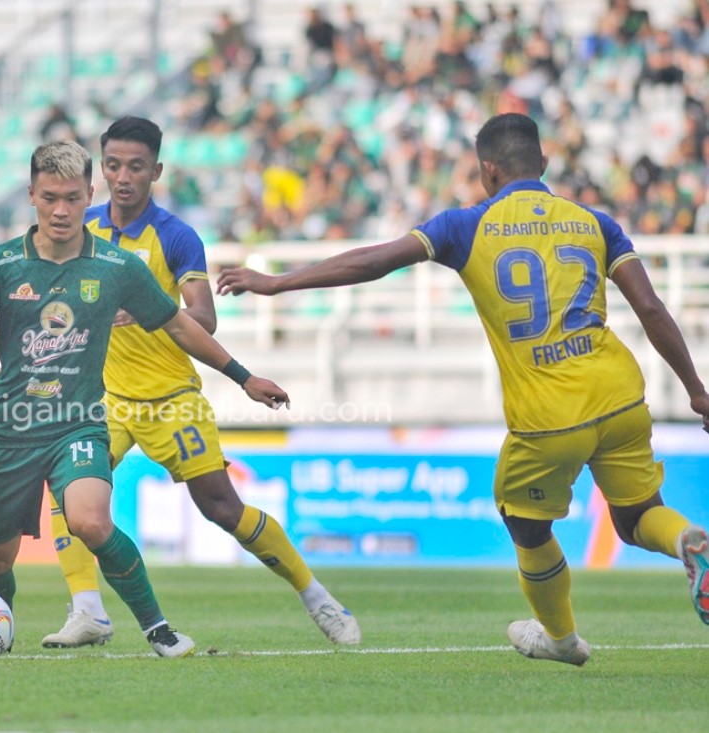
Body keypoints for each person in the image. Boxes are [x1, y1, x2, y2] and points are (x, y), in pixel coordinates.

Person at [217, 113, 709, 666]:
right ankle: (689, 539)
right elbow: (649, 307)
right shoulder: (594, 222)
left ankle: (562, 638)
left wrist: (278, 281)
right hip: (620, 395)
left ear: (486, 171)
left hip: (550, 412)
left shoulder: (466, 225)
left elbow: (375, 261)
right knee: (639, 515)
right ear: (543, 164)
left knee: (525, 522)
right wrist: (695, 390)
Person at [0, 116, 361, 649]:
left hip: (170, 397)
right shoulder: (77, 227)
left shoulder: (176, 237)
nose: (123, 176)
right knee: (66, 493)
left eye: (136, 166)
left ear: (156, 170)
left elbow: (201, 316)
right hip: (102, 399)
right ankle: (88, 611)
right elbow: (35, 298)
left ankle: (318, 597)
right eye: (112, 165)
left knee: (221, 508)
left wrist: (143, 314)